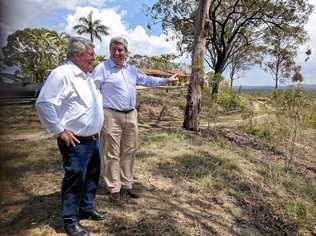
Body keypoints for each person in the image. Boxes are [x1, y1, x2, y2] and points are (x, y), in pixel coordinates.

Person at [93, 36, 178, 201]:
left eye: (120, 50)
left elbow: (146, 80)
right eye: (114, 49)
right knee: (111, 153)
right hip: (111, 115)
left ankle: (127, 184)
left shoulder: (131, 70)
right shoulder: (102, 68)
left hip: (131, 115)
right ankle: (113, 188)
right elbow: (92, 90)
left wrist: (167, 80)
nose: (117, 53)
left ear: (126, 52)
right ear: (110, 51)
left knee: (130, 151)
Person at [36, 37, 104, 236]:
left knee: (92, 176)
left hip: (93, 138)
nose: (93, 58)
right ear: (76, 54)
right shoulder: (62, 74)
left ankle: (86, 208)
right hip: (75, 140)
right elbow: (44, 103)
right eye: (90, 54)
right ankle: (70, 221)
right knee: (75, 178)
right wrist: (60, 130)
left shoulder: (86, 75)